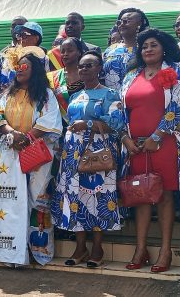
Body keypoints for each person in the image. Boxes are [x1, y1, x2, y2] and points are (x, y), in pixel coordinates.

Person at [120, 28, 180, 273]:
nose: (148, 49)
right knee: (140, 194)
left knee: (164, 195)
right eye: (144, 46)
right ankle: (140, 249)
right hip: (135, 146)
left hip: (165, 143)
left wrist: (157, 135)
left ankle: (165, 251)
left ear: (164, 48)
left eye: (153, 45)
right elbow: (120, 110)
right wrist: (125, 139)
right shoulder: (131, 76)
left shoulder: (177, 70)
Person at [52, 51, 125, 268]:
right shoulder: (76, 96)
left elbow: (116, 124)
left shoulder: (110, 94)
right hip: (73, 152)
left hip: (98, 151)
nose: (84, 69)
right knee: (75, 196)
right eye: (82, 66)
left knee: (98, 197)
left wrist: (88, 124)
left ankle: (97, 248)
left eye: (89, 65)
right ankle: (80, 247)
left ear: (99, 68)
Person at [0, 46, 62, 267]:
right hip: (10, 153)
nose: (19, 69)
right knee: (10, 203)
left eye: (24, 66)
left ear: (35, 70)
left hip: (36, 154)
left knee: (38, 201)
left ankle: (37, 251)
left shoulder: (46, 94)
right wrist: (12, 134)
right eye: (17, 66)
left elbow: (50, 120)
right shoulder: (8, 94)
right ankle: (12, 254)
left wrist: (27, 138)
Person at [103, 8, 151, 90]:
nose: (121, 25)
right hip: (112, 97)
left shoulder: (146, 49)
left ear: (139, 24)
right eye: (119, 22)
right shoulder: (110, 50)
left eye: (126, 21)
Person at [48, 38, 87, 119]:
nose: (65, 54)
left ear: (79, 52)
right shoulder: (52, 77)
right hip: (61, 122)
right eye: (62, 51)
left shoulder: (87, 74)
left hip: (86, 121)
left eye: (70, 51)